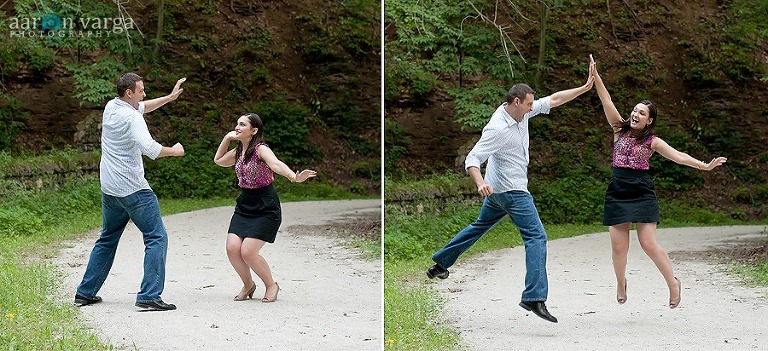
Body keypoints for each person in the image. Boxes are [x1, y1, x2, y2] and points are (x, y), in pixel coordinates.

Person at [426, 59, 597, 324]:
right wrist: (479, 182)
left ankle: (440, 264)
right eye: (529, 104)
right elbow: (473, 158)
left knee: (478, 226)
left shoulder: (520, 112)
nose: (532, 107)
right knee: (536, 237)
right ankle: (534, 297)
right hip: (513, 192)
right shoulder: (497, 128)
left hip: (497, 194)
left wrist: (585, 87)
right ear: (516, 101)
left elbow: (553, 100)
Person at [590, 54, 727, 309]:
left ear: (649, 120)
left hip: (641, 191)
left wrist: (704, 165)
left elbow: (679, 156)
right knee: (619, 248)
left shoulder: (652, 141)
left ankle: (673, 283)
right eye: (634, 110)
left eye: (641, 113)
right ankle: (620, 282)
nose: (635, 114)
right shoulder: (618, 129)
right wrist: (596, 76)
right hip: (618, 191)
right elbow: (606, 100)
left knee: (648, 243)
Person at [74, 73, 187, 311]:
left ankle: (85, 293)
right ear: (129, 93)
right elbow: (150, 148)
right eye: (141, 90)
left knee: (107, 238)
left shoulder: (112, 107)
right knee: (156, 237)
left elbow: (143, 107)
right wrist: (174, 151)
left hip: (110, 189)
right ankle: (149, 295)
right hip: (133, 189)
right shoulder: (132, 118)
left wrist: (169, 98)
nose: (144, 94)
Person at [213, 113, 316, 302]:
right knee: (232, 247)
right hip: (245, 204)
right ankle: (248, 285)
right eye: (237, 124)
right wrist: (226, 138)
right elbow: (218, 161)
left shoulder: (261, 149)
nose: (237, 127)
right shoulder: (238, 151)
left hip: (265, 205)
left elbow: (276, 164)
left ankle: (271, 285)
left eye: (242, 125)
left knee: (248, 251)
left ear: (254, 131)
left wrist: (294, 177)